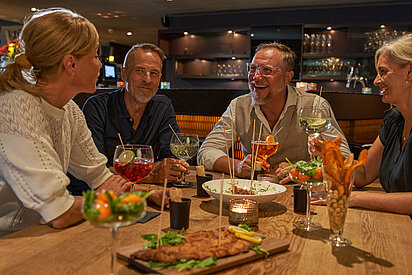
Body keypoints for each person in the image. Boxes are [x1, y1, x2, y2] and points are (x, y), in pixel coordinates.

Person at [0, 8, 167, 237]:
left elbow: (100, 176)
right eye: (95, 57)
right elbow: (60, 212)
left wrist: (145, 193)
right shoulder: (15, 106)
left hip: (38, 235)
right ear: (71, 64)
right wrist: (104, 198)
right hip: (10, 241)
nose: (100, 65)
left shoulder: (69, 110)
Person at [197, 42, 350, 179]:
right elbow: (206, 151)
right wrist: (236, 166)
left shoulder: (314, 106)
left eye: (267, 70)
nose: (256, 77)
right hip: (254, 193)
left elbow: (344, 160)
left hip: (301, 193)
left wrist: (299, 169)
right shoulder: (238, 106)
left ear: (287, 77)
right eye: (253, 69)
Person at [314, 34, 412, 215]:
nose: (376, 81)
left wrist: (353, 198)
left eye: (383, 72)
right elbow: (364, 174)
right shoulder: (394, 120)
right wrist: (331, 157)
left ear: (409, 71)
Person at [81, 43, 189, 185]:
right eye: (139, 71)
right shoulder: (97, 107)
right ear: (124, 74)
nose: (147, 79)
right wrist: (151, 175)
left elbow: (170, 158)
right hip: (101, 198)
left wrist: (169, 166)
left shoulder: (163, 107)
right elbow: (94, 169)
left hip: (149, 195)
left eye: (154, 73)